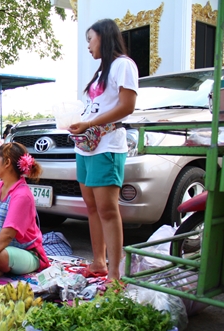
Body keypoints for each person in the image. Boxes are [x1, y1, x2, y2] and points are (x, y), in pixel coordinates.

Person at [68, 19, 138, 280]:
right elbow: (95, 108)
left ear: (104, 37)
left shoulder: (123, 65)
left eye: (90, 39)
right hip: (86, 148)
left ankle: (116, 274)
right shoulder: (100, 73)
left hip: (107, 146)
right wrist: (78, 122)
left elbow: (126, 106)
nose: (88, 45)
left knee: (108, 209)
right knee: (91, 207)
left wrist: (89, 123)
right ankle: (98, 262)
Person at [0, 142, 50, 282]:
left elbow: (7, 234)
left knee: (1, 256)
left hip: (24, 252)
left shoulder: (22, 195)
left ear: (7, 162)